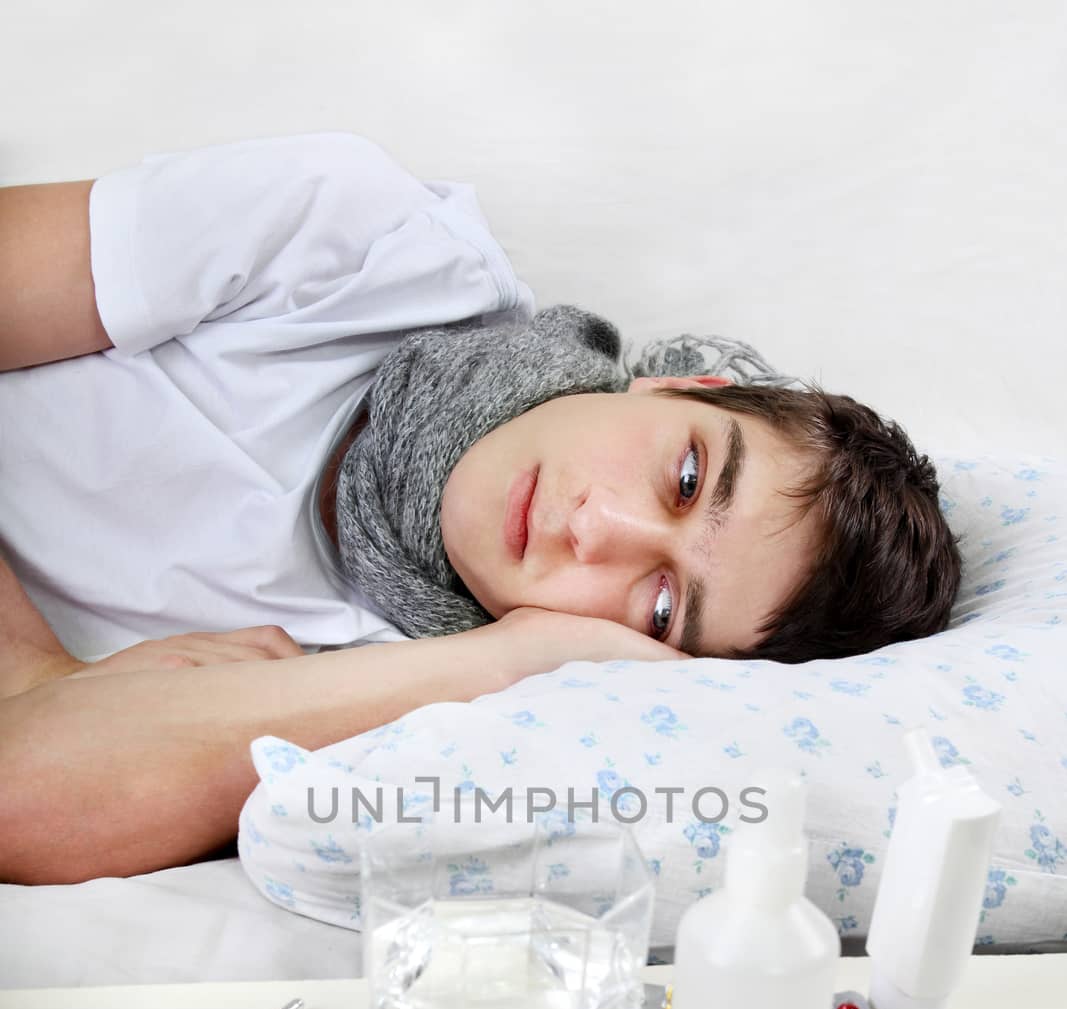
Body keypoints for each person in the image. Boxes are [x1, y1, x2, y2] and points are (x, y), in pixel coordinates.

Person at [0, 132, 961, 886]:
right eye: (684, 479)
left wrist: (513, 656)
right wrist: (30, 671)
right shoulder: (359, 244)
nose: (597, 530)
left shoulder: (422, 714)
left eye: (660, 605)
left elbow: (22, 799)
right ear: (680, 389)